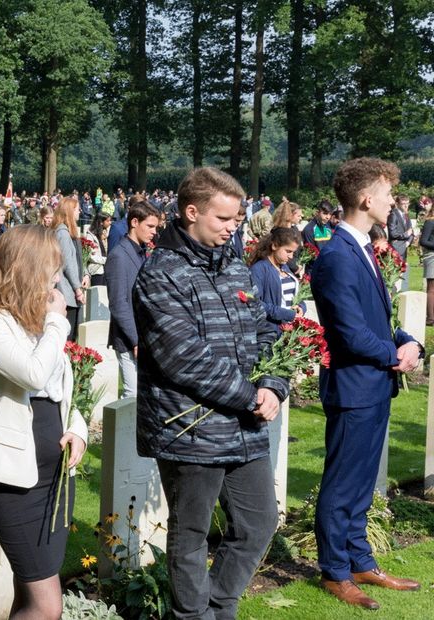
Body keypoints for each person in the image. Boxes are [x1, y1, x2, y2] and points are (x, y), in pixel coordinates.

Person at [134, 167, 288, 620]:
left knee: (259, 523)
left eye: (237, 220)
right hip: (190, 428)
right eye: (223, 219)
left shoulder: (236, 264)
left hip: (244, 425)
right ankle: (192, 615)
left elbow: (264, 329)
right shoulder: (160, 273)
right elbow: (183, 357)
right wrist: (249, 395)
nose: (231, 227)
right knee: (191, 533)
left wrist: (274, 384)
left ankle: (220, 605)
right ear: (191, 212)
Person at [310, 158, 423, 610]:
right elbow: (348, 333)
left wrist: (408, 340)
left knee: (360, 486)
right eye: (387, 192)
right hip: (355, 387)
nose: (393, 200)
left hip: (374, 385)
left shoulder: (361, 248)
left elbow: (377, 320)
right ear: (365, 199)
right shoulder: (336, 255)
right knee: (342, 484)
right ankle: (335, 570)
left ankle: (360, 560)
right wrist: (395, 356)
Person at [0, 225, 87, 619]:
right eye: (52, 270)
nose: (56, 281)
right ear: (27, 268)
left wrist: (78, 430)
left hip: (54, 471)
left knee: (29, 592)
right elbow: (32, 374)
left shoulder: (35, 318)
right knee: (47, 606)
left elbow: (61, 388)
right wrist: (56, 323)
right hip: (14, 478)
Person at [106, 200, 159, 399]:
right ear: (134, 222)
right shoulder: (119, 256)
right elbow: (119, 303)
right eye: (150, 226)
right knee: (132, 396)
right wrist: (136, 340)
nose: (154, 232)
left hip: (144, 335)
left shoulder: (140, 252)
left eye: (156, 227)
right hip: (130, 339)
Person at [248, 227, 305, 332]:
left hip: (288, 330)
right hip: (271, 330)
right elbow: (255, 303)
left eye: (293, 252)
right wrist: (287, 314)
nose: (291, 256)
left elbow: (295, 295)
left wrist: (301, 307)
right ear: (274, 246)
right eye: (288, 251)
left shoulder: (284, 266)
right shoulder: (259, 269)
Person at [52, 196, 86, 340]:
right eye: (78, 209)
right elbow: (68, 263)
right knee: (68, 338)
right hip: (66, 292)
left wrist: (85, 275)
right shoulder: (63, 233)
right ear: (70, 212)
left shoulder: (63, 232)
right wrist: (78, 290)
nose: (80, 212)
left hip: (68, 290)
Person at [84, 212, 110, 287]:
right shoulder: (90, 236)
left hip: (105, 268)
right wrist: (105, 260)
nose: (110, 223)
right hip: (96, 270)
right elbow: (91, 256)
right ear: (101, 222)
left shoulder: (105, 233)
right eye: (107, 221)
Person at [419, 201, 434, 325]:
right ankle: (430, 319)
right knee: (432, 289)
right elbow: (423, 241)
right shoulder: (430, 221)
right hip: (432, 256)